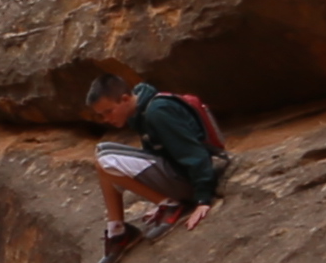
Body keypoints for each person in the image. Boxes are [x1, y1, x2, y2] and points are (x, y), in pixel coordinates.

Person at [89, 72, 233, 252]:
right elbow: (155, 154)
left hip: (193, 179)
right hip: (178, 174)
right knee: (101, 153)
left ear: (125, 99)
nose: (106, 119)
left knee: (106, 160)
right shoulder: (139, 113)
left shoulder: (158, 112)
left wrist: (203, 199)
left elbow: (195, 155)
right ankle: (117, 230)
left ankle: (170, 206)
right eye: (101, 115)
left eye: (108, 111)